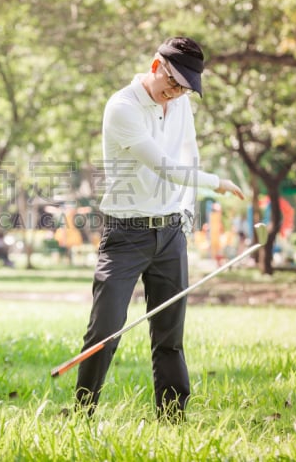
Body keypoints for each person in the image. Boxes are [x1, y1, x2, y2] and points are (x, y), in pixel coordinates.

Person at [74, 36, 244, 422]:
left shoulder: (180, 104)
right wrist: (215, 182)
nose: (175, 95)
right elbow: (164, 165)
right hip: (125, 235)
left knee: (169, 336)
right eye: (172, 84)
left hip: (170, 234)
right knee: (106, 329)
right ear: (155, 67)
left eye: (184, 89)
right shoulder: (122, 108)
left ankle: (172, 419)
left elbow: (188, 153)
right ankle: (83, 412)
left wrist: (185, 216)